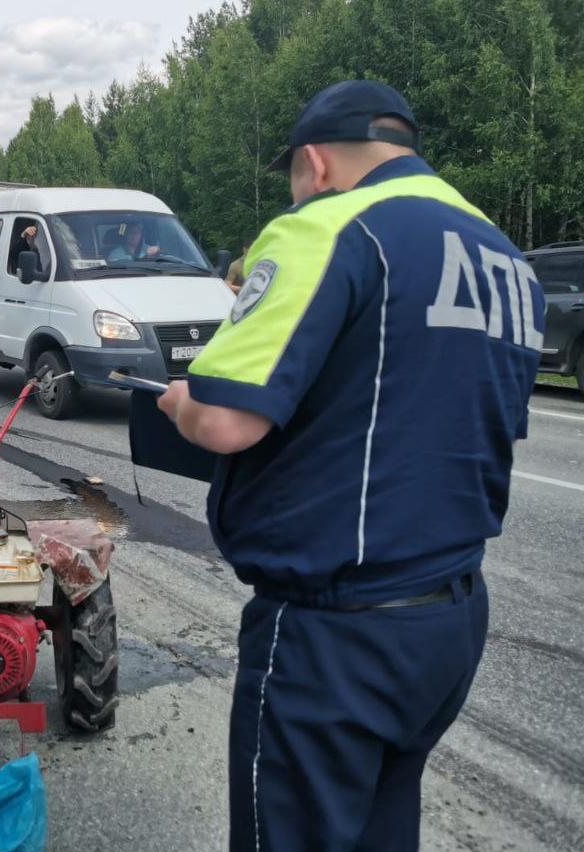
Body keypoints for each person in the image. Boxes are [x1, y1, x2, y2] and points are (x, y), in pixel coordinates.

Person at [155, 80, 544, 850]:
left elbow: (229, 420)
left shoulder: (331, 228)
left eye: (295, 179)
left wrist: (178, 404)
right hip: (450, 619)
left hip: (336, 636)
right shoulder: (503, 255)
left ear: (315, 164)